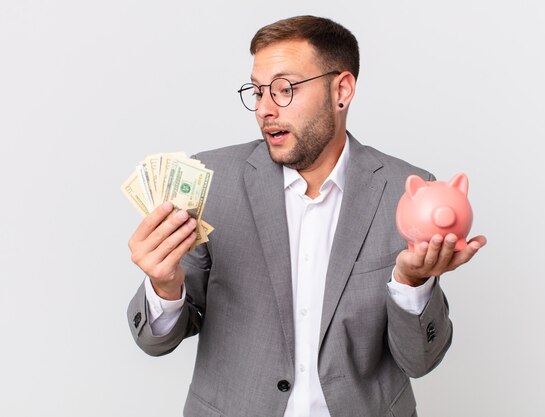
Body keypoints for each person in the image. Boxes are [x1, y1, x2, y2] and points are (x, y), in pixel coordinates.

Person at [126, 15, 486, 417]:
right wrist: (163, 285)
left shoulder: (406, 193)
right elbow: (156, 340)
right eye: (257, 91)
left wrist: (413, 284)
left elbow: (421, 360)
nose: (264, 108)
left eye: (284, 89)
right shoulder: (212, 183)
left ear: (342, 90)